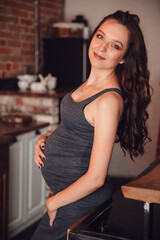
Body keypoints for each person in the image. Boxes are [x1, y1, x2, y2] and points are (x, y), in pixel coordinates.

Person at [31, 10, 152, 240]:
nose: (103, 48)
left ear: (124, 57)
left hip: (78, 205)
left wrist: (53, 202)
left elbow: (96, 177)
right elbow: (76, 128)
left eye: (115, 45)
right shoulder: (88, 84)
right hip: (67, 198)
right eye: (100, 36)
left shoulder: (108, 100)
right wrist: (46, 136)